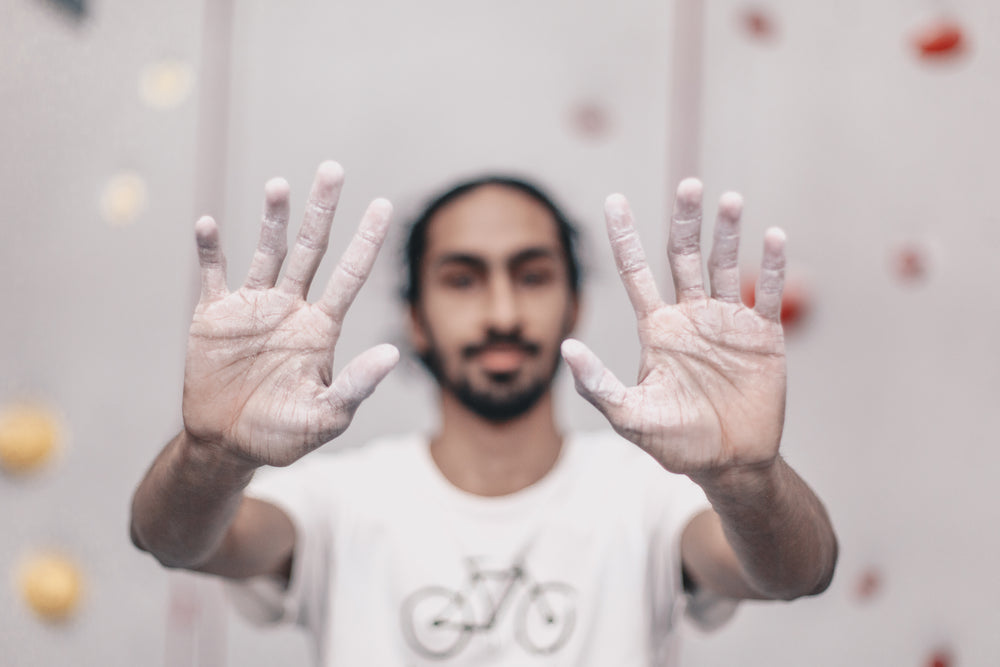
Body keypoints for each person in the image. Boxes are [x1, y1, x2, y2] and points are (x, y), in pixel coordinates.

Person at [130, 161, 837, 666]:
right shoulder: (338, 500)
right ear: (418, 316)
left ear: (574, 303)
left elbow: (795, 573)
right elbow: (177, 540)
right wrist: (212, 453)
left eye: (531, 275)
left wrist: (747, 476)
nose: (501, 311)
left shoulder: (648, 497)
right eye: (462, 279)